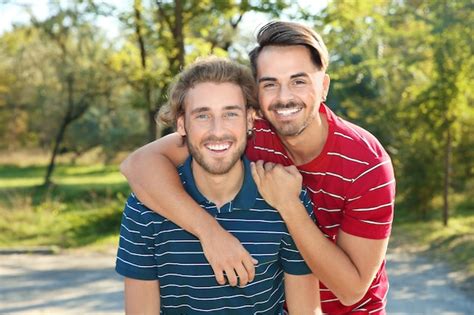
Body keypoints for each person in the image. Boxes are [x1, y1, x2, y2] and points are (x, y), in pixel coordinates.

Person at [121, 21, 396, 314]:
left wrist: (289, 206)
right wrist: (210, 233)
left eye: (298, 81)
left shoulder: (367, 164)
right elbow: (138, 164)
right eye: (270, 84)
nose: (283, 97)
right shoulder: (248, 131)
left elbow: (351, 291)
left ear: (324, 86)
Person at [115, 56, 321, 314]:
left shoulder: (284, 196)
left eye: (230, 114)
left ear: (250, 120)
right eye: (203, 116)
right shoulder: (145, 206)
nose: (217, 130)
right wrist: (210, 233)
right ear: (181, 124)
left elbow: (306, 310)